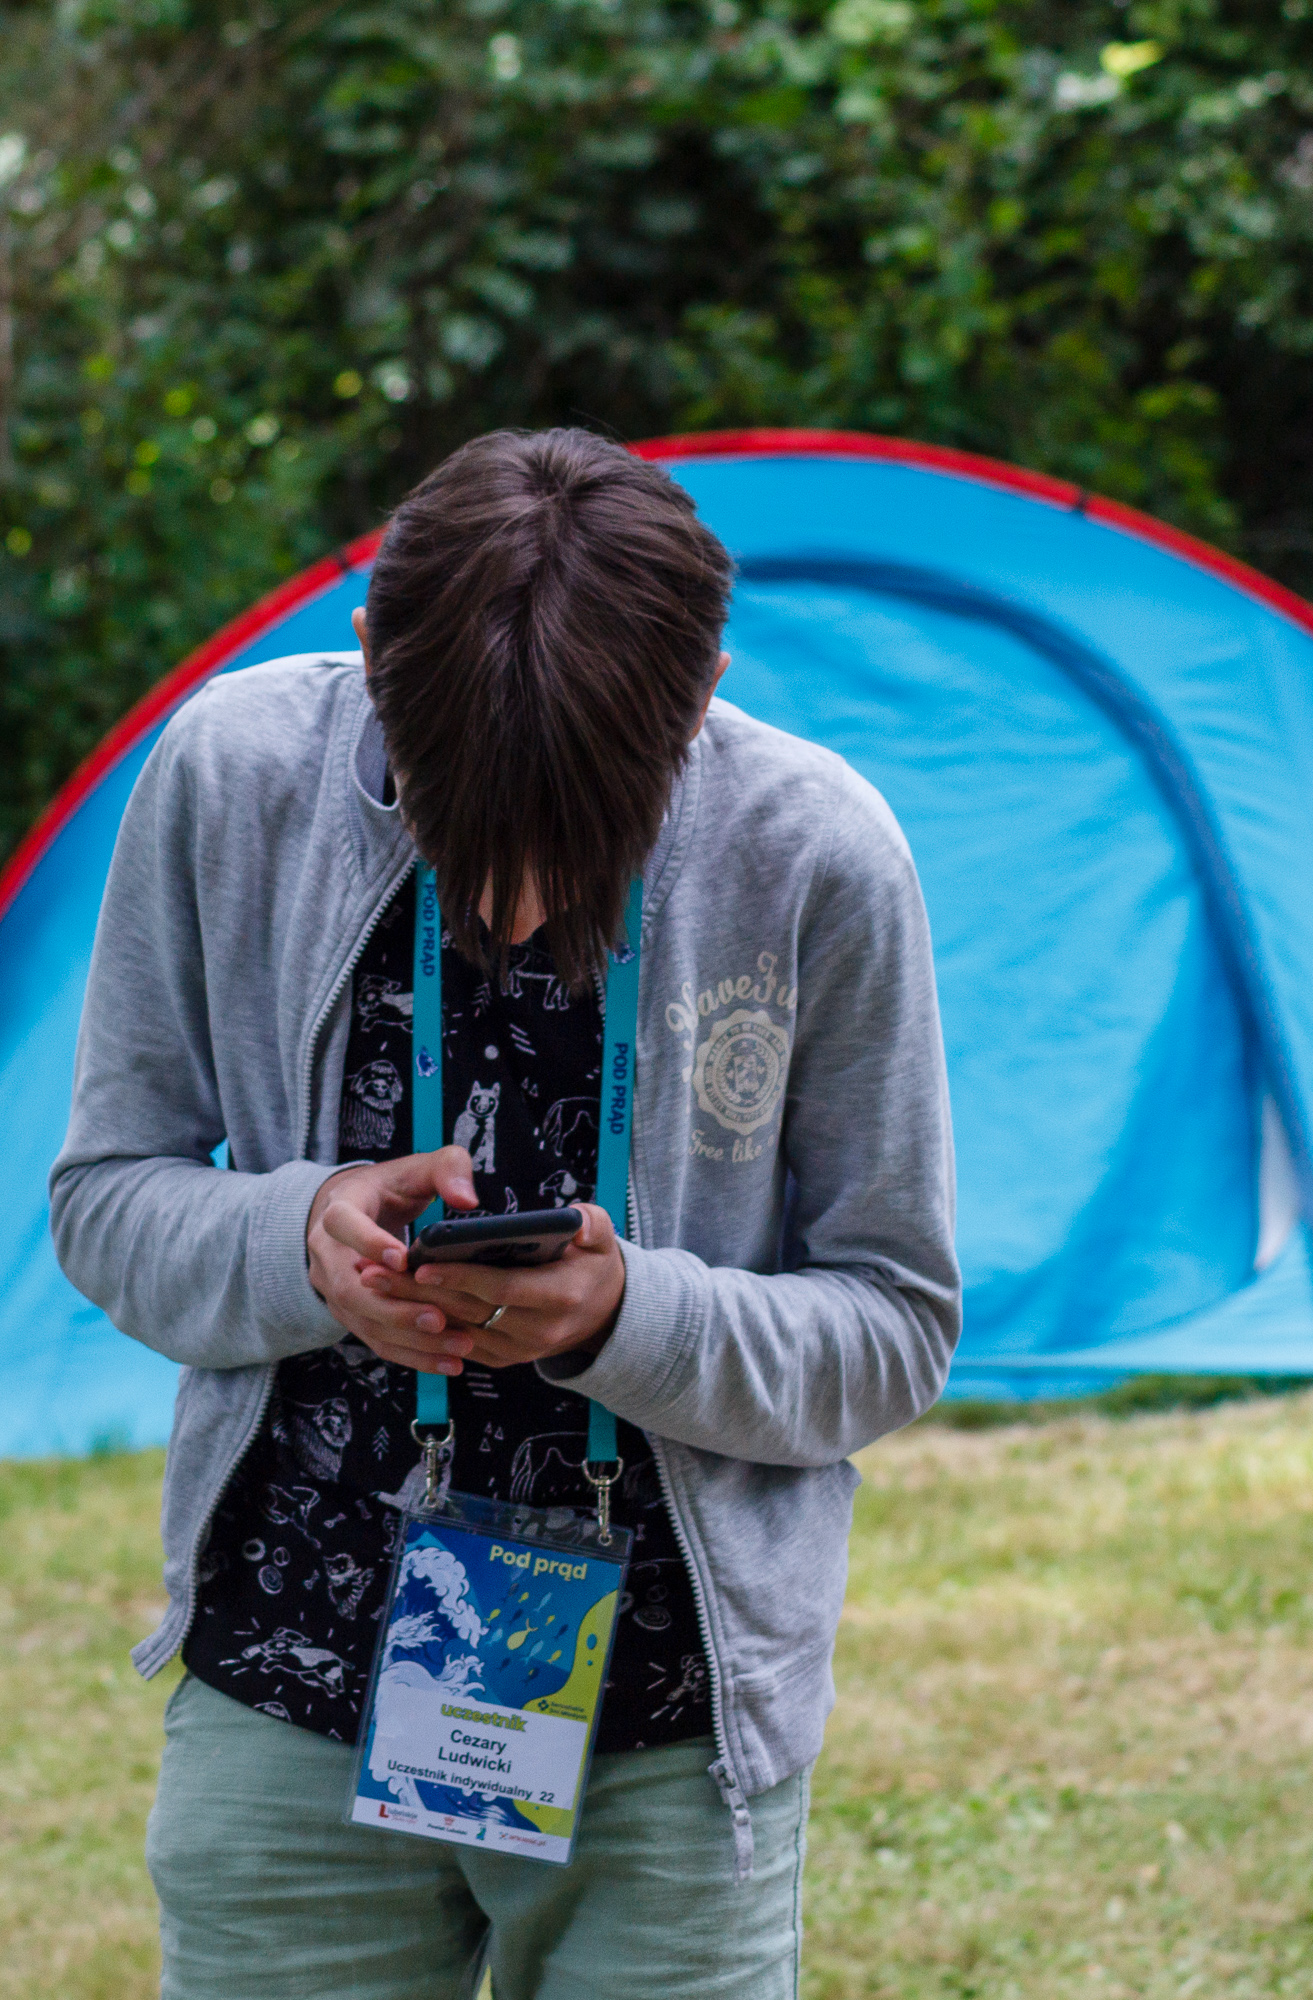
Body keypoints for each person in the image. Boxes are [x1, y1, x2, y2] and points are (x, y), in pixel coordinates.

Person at [50, 427, 961, 2000]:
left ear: (704, 688)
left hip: (668, 1733)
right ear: (368, 660)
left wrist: (628, 1318)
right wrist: (297, 1240)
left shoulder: (814, 853)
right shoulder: (229, 776)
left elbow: (893, 1329)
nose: (516, 904)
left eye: (585, 840)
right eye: (460, 827)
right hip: (283, 1683)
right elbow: (103, 1198)